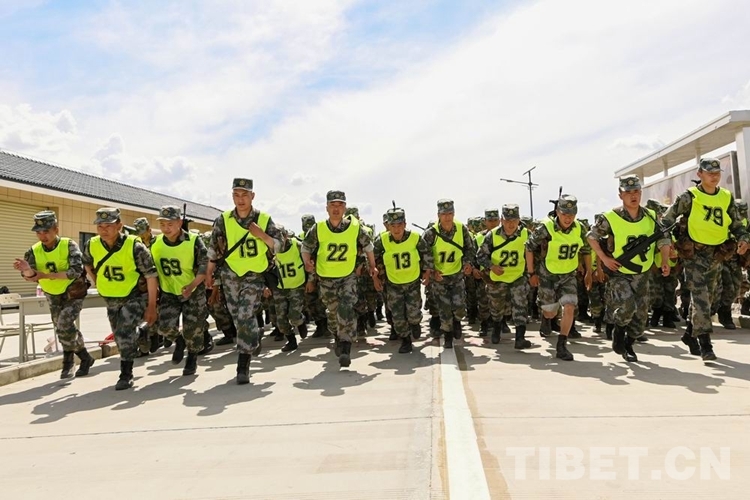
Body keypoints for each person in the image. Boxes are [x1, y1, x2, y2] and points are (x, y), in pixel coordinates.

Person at [661, 158, 750, 360]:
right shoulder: (689, 197)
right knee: (700, 297)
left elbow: (737, 224)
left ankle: (689, 334)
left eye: (717, 173)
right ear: (699, 174)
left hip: (717, 254)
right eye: (709, 173)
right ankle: (706, 345)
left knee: (708, 300)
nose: (714, 176)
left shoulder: (725, 197)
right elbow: (666, 220)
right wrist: (669, 244)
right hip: (694, 255)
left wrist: (744, 238)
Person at [205, 178, 284, 384]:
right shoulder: (223, 219)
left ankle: (243, 364)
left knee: (245, 313)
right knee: (237, 318)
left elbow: (280, 245)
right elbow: (213, 248)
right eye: (236, 195)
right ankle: (253, 336)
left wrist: (262, 235)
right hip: (230, 274)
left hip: (254, 274)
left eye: (244, 195)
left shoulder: (264, 219)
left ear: (252, 196)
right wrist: (209, 272)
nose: (240, 199)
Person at [587, 176, 671, 362]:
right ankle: (618, 332)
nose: (633, 196)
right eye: (628, 192)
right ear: (620, 195)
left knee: (641, 318)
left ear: (641, 193)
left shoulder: (651, 215)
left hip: (643, 273)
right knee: (627, 307)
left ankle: (629, 343)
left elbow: (663, 238)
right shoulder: (611, 217)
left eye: (636, 192)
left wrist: (664, 260)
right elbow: (591, 237)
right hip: (620, 272)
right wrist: (604, 259)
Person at [82, 208, 158, 390]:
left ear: (119, 226)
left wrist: (151, 306)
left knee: (124, 334)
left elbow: (151, 276)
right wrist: (97, 280)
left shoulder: (134, 246)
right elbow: (87, 263)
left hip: (134, 296)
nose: (104, 230)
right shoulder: (92, 244)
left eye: (108, 226)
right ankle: (141, 333)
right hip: (111, 298)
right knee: (118, 336)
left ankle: (126, 374)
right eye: (100, 226)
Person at [301, 190, 378, 367]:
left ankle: (345, 347)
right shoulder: (318, 228)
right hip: (326, 278)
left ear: (345, 207)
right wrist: (307, 262)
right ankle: (337, 334)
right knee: (333, 312)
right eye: (333, 205)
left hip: (347, 276)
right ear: (326, 208)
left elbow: (368, 246)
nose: (336, 209)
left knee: (346, 308)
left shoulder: (354, 227)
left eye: (340, 205)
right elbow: (306, 247)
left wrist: (372, 266)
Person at [14, 211, 95, 379]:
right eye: (38, 232)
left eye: (46, 231)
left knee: (64, 323)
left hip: (73, 291)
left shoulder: (68, 245)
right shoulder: (33, 251)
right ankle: (85, 357)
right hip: (52, 294)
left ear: (56, 230)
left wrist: (45, 275)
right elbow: (31, 276)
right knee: (62, 328)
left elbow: (75, 271)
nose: (42, 236)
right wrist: (27, 270)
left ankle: (68, 362)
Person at [525, 195, 592, 361]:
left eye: (571, 214)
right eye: (564, 214)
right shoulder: (545, 228)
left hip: (568, 274)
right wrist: (531, 273)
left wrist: (589, 272)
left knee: (569, 306)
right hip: (548, 275)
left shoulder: (580, 228)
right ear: (557, 212)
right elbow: (529, 247)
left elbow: (586, 250)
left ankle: (562, 345)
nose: (568, 218)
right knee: (550, 312)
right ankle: (546, 318)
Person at [150, 205, 208, 376]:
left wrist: (192, 286)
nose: (166, 228)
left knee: (193, 329)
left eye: (170, 224)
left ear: (179, 223)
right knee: (165, 327)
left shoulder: (194, 241)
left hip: (193, 291)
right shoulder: (155, 243)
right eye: (162, 224)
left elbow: (204, 267)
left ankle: (192, 358)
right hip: (169, 291)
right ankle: (179, 340)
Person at [373, 208, 433, 353]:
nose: (396, 229)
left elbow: (427, 253)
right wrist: (376, 277)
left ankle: (415, 323)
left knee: (413, 313)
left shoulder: (415, 238)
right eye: (393, 225)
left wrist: (427, 272)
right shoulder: (382, 240)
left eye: (399, 225)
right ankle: (406, 340)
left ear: (405, 224)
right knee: (397, 315)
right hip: (393, 283)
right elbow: (372, 259)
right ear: (388, 226)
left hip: (412, 282)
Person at [476, 204, 533, 348]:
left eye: (514, 220)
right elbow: (480, 256)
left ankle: (520, 338)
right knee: (496, 307)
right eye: (507, 220)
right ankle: (496, 328)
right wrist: (491, 266)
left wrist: (531, 273)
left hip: (518, 277)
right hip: (498, 279)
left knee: (520, 306)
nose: (511, 224)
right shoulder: (492, 235)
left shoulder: (526, 234)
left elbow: (534, 253)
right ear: (502, 220)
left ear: (519, 220)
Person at [422, 199, 475, 348]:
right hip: (439, 278)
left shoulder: (461, 229)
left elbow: (470, 248)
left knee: (459, 306)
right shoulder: (431, 233)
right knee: (444, 309)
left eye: (450, 213)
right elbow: (423, 254)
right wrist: (431, 271)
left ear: (454, 213)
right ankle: (448, 337)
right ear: (438, 215)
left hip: (457, 275)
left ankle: (457, 321)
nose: (447, 217)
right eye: (444, 214)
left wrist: (467, 263)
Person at [271, 225, 308, 352]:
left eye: (280, 236)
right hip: (281, 287)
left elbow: (309, 261)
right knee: (281, 321)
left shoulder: (297, 245)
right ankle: (291, 341)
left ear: (286, 236)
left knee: (294, 316)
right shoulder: (270, 248)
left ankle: (301, 322)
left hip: (297, 286)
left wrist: (311, 280)